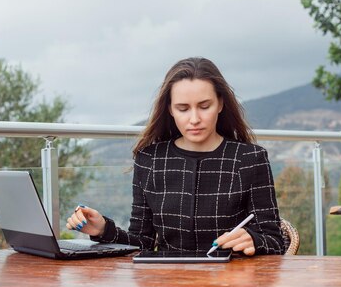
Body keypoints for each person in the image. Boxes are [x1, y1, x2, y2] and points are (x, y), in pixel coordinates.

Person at [66, 57, 284, 256]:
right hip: (166, 283)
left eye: (204, 106)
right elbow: (142, 243)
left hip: (231, 284)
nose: (195, 119)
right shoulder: (149, 160)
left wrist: (254, 239)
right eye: (183, 108)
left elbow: (275, 241)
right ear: (170, 109)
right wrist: (104, 229)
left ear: (221, 104)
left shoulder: (251, 159)